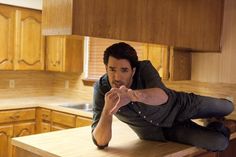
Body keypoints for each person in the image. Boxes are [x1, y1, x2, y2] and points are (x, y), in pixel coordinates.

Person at [91, 42, 234, 151]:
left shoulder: (144, 68)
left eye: (124, 70)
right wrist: (107, 111)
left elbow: (162, 96)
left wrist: (133, 95)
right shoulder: (101, 89)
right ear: (106, 68)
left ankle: (213, 114)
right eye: (112, 69)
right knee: (220, 143)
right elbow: (101, 142)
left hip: (181, 105)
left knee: (228, 107)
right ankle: (214, 123)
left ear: (133, 71)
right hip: (164, 131)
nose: (117, 77)